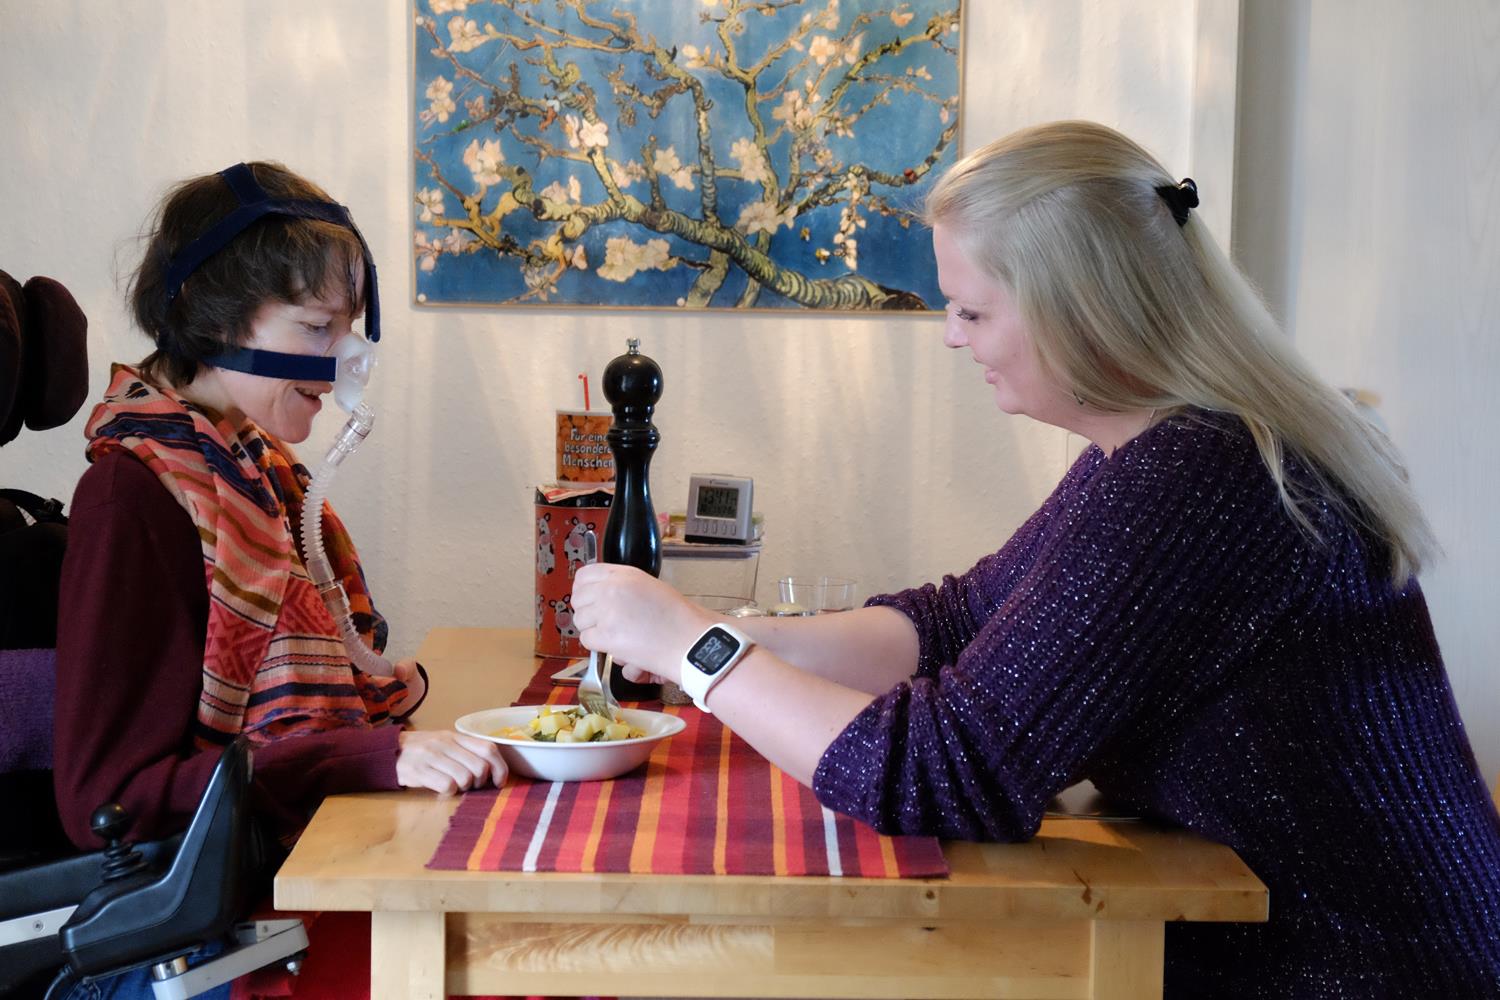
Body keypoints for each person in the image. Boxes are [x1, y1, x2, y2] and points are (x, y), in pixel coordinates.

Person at [572, 121, 1500, 996]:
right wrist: (744, 633)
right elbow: (954, 625)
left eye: (973, 309)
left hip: (1344, 970)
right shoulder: (1157, 452)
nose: (950, 335)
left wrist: (699, 654)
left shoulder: (1206, 478)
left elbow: (950, 773)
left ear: (1077, 309)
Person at [53, 162, 507, 998]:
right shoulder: (135, 495)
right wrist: (359, 755)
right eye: (317, 327)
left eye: (351, 329)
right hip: (189, 942)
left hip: (283, 881)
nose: (350, 359)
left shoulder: (260, 477)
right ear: (214, 317)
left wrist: (378, 704)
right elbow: (107, 801)